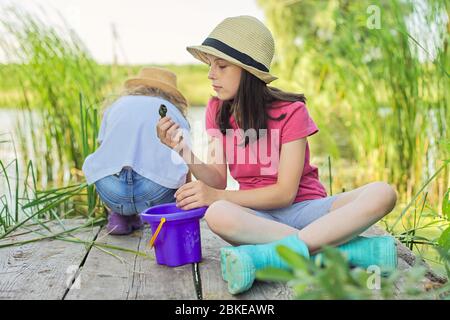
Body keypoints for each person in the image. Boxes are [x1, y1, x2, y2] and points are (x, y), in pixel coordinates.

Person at [157, 16, 398, 295]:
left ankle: (271, 256)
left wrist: (216, 195)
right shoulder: (217, 109)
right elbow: (218, 179)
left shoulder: (291, 112)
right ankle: (341, 252)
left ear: (248, 72)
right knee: (218, 214)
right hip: (257, 219)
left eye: (221, 66)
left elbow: (284, 193)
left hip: (307, 211)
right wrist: (183, 149)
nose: (211, 74)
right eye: (210, 65)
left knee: (383, 192)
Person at [83, 67, 191, 235]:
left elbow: (103, 150)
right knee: (174, 171)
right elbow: (184, 161)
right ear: (172, 95)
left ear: (137, 88)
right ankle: (165, 218)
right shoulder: (173, 112)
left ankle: (120, 216)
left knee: (109, 168)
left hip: (111, 193)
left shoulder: (117, 106)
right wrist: (186, 203)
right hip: (155, 195)